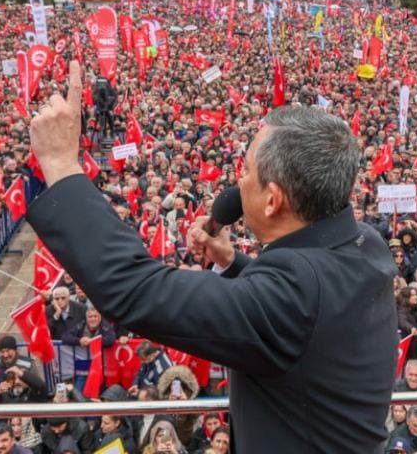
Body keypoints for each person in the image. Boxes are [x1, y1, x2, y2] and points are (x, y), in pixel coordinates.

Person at [28, 94, 397, 453]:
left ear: (272, 200)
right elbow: (311, 313)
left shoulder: (294, 296)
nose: (239, 180)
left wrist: (61, 165)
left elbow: (134, 288)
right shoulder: (364, 242)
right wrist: (233, 264)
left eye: (247, 170)